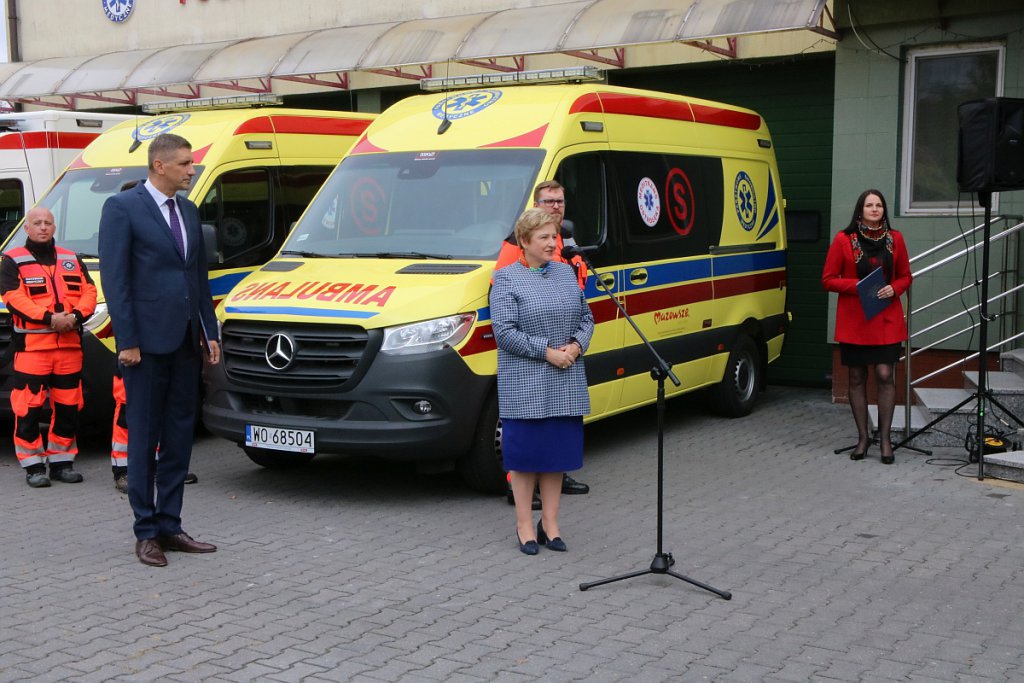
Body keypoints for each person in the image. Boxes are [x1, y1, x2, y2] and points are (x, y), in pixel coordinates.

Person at [98, 132, 221, 567]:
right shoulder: (122, 208)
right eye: (185, 163)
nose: (192, 170)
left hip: (185, 341)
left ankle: (171, 525)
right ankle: (146, 532)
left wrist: (209, 330)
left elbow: (197, 277)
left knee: (178, 436)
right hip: (145, 346)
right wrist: (128, 341)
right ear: (159, 165)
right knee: (144, 435)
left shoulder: (187, 210)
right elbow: (116, 280)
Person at [490, 208, 594, 554]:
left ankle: (550, 524)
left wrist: (576, 346)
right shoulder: (506, 278)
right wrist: (547, 352)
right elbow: (504, 333)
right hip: (526, 383)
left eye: (554, 237)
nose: (552, 243)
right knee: (525, 458)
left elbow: (587, 318)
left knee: (555, 457)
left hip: (565, 379)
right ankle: (524, 525)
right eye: (544, 237)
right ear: (524, 241)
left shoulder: (565, 273)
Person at [0, 207, 96, 487]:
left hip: (69, 349)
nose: (43, 227)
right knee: (28, 409)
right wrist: (50, 318)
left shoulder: (72, 259)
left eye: (48, 223)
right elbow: (13, 297)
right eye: (37, 223)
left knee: (68, 407)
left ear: (54, 227)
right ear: (26, 228)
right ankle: (33, 466)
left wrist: (75, 316)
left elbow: (90, 292)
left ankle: (62, 463)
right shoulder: (12, 260)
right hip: (32, 350)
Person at [822, 189, 912, 465]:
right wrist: (859, 286)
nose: (875, 209)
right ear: (860, 210)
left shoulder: (895, 239)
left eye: (879, 205)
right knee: (856, 377)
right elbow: (828, 279)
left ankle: (885, 440)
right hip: (856, 320)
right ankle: (863, 438)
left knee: (885, 374)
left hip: (886, 318)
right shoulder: (843, 239)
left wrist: (894, 288)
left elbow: (906, 276)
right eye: (869, 205)